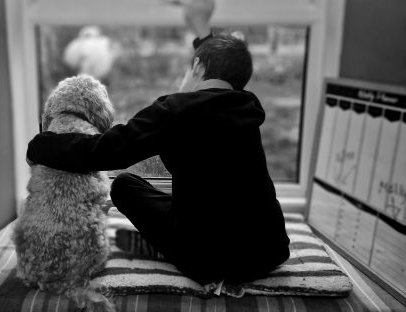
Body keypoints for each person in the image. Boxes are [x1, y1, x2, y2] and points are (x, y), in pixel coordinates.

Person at [27, 0, 290, 286]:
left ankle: (161, 247)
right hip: (268, 251)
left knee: (125, 185)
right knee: (195, 198)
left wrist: (41, 145)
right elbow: (224, 71)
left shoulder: (175, 110)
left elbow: (103, 150)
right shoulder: (247, 108)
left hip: (209, 261)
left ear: (198, 67)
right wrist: (203, 34)